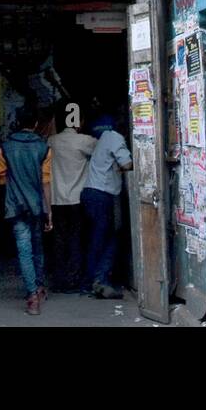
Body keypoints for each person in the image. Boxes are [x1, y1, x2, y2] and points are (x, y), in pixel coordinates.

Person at [0, 107, 51, 315]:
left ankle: (32, 297)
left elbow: (1, 178)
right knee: (38, 248)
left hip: (16, 206)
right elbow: (46, 182)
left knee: (24, 250)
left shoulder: (5, 147)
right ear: (36, 124)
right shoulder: (44, 147)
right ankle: (39, 286)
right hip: (37, 206)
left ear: (17, 122)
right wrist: (49, 210)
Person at [46, 102, 97, 292]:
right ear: (80, 121)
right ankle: (74, 280)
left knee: (59, 241)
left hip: (57, 199)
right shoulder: (86, 141)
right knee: (77, 239)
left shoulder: (52, 141)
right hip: (77, 199)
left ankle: (59, 281)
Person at [81, 114, 133, 299]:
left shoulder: (101, 139)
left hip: (90, 193)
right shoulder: (114, 137)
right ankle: (98, 280)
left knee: (97, 238)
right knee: (109, 238)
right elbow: (127, 164)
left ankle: (92, 281)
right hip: (103, 194)